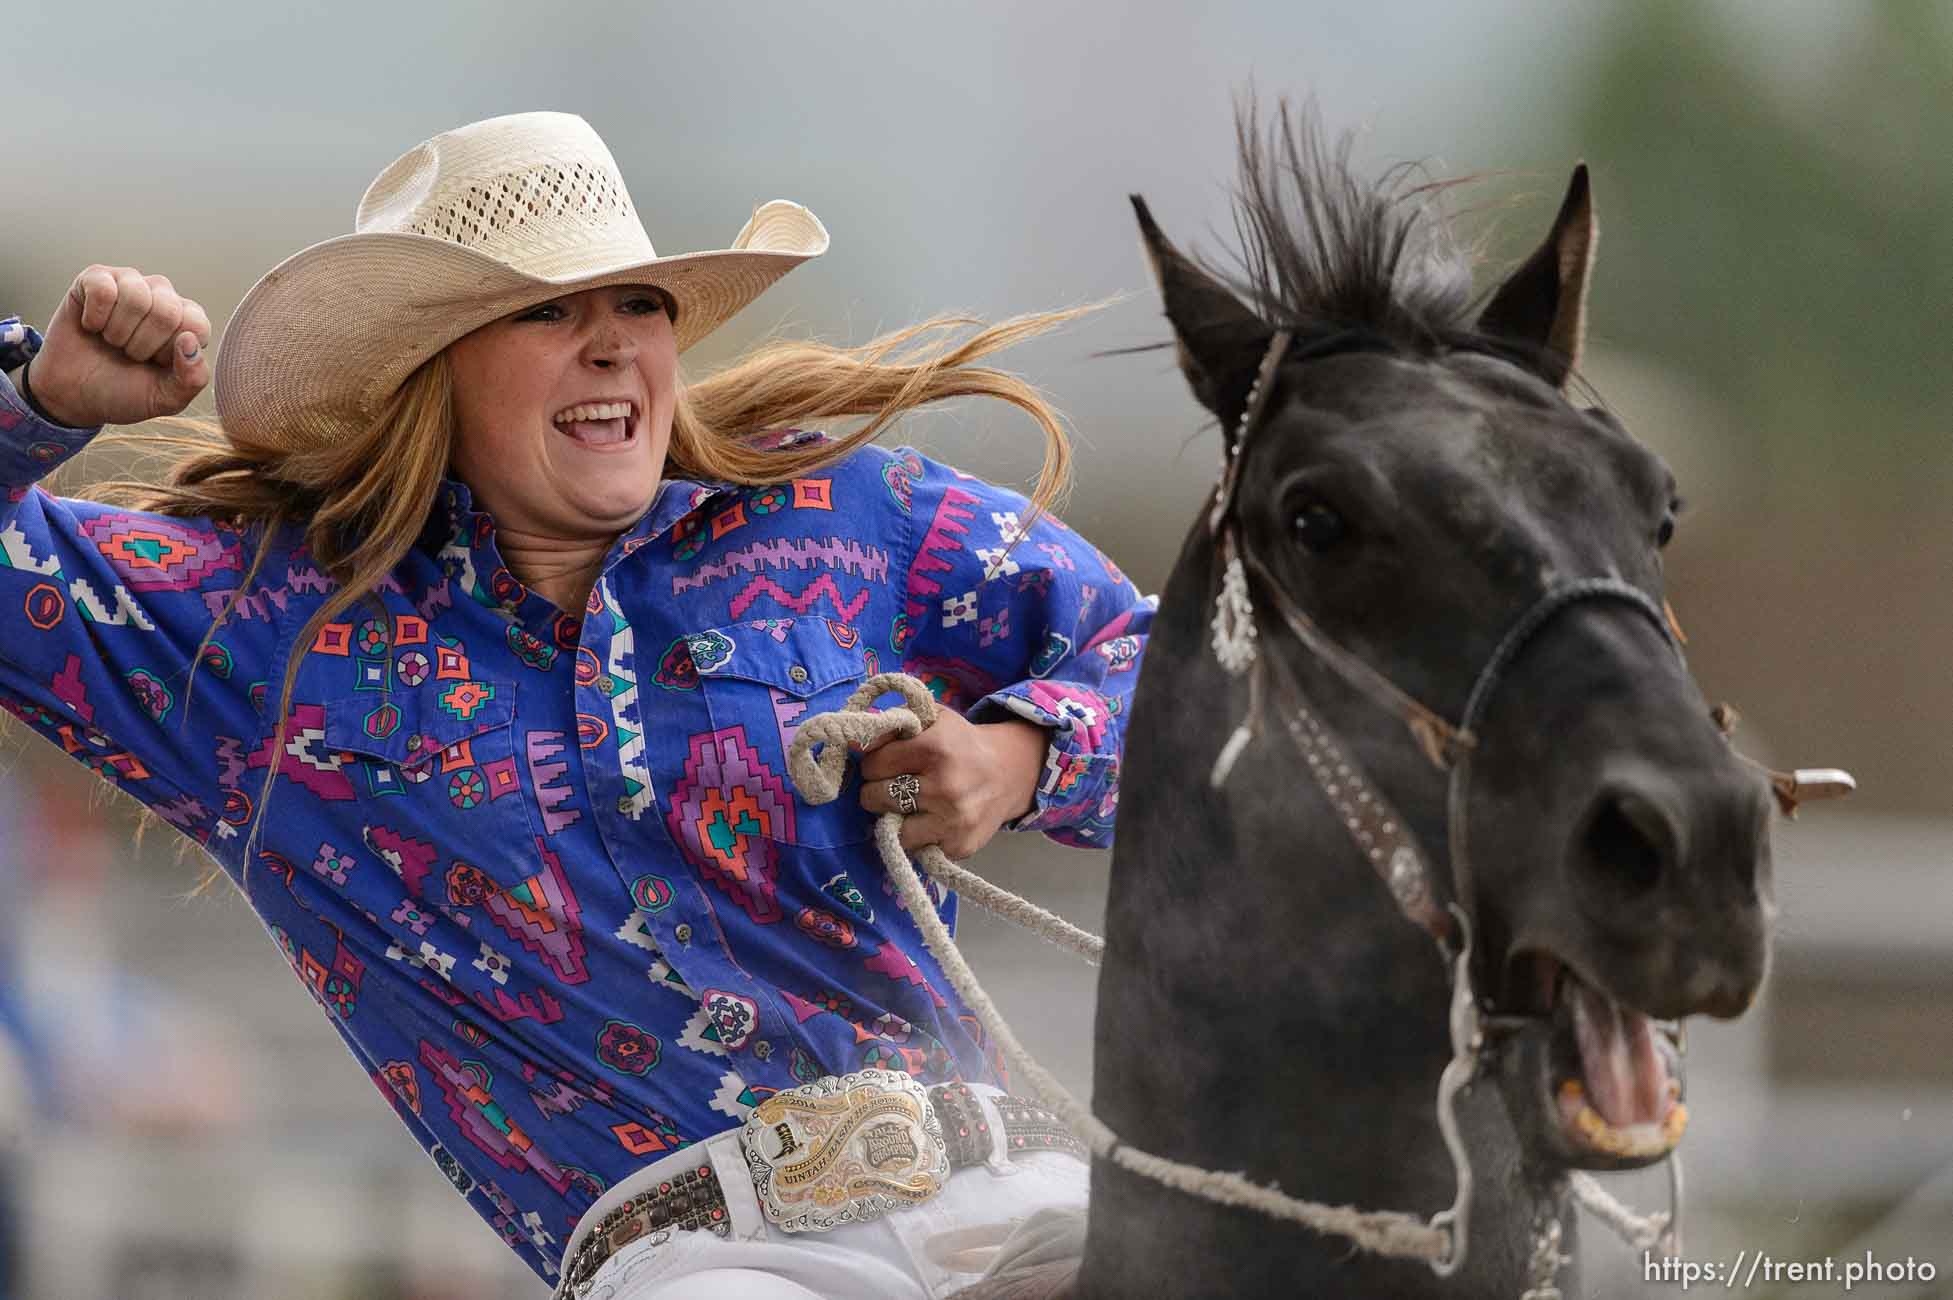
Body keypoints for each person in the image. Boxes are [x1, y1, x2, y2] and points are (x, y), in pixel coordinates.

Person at [0, 112, 1148, 1298]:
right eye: (546, 310)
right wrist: (39, 398)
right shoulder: (261, 637)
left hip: (1008, 1193)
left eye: (639, 305)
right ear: (431, 367)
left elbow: (1175, 655)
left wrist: (1018, 755)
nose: (610, 344)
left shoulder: (858, 515)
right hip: (699, 1263)